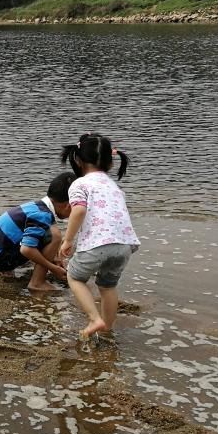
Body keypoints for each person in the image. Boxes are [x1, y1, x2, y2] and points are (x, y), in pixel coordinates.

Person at [58, 133, 140, 340]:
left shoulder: (80, 184)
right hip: (124, 245)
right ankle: (107, 330)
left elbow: (78, 211)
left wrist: (68, 240)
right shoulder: (115, 187)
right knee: (108, 286)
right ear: (111, 163)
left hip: (98, 243)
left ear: (77, 160)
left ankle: (95, 319)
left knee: (74, 276)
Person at [0, 172, 75, 290]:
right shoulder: (43, 215)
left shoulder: (37, 206)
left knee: (44, 236)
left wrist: (54, 258)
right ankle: (37, 283)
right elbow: (26, 249)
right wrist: (53, 268)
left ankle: (22, 272)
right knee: (55, 235)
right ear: (68, 206)